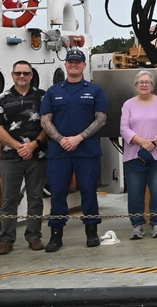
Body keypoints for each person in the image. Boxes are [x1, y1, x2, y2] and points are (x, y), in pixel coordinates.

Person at [39, 49, 108, 252]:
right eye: (70, 62)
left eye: (78, 62)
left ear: (84, 66)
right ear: (66, 65)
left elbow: (101, 119)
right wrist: (62, 140)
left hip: (87, 151)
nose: (74, 65)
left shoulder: (95, 90)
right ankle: (56, 235)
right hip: (59, 152)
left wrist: (79, 138)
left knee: (88, 191)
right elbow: (45, 120)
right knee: (58, 193)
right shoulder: (53, 91)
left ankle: (92, 232)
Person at [0, 60, 47, 255]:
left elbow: (47, 125)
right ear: (12, 75)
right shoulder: (3, 98)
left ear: (31, 75)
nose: (22, 76)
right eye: (18, 73)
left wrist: (33, 145)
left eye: (25, 73)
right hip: (10, 157)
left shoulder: (42, 97)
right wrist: (18, 147)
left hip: (37, 155)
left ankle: (34, 237)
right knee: (9, 199)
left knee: (35, 198)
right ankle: (6, 239)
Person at [119, 70, 157, 240]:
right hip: (134, 155)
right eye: (140, 82)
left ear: (152, 86)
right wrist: (142, 142)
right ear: (135, 86)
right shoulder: (128, 105)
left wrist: (155, 142)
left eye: (147, 82)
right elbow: (124, 128)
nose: (144, 85)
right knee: (135, 192)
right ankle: (137, 225)